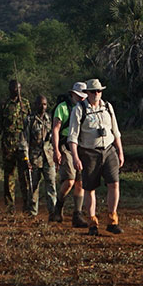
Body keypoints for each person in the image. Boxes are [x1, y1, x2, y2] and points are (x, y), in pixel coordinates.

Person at [67, 78, 124, 236]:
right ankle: (92, 222)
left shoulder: (108, 107)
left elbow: (115, 131)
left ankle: (113, 220)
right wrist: (76, 157)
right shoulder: (79, 109)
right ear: (87, 93)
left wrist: (120, 151)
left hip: (109, 148)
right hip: (89, 151)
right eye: (93, 91)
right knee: (90, 188)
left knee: (114, 184)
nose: (97, 94)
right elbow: (72, 136)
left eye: (99, 91)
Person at [50, 82, 86, 225]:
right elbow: (55, 129)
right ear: (72, 94)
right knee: (70, 180)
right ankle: (58, 208)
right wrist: (56, 150)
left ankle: (77, 215)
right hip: (66, 146)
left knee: (80, 182)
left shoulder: (86, 108)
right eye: (78, 96)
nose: (81, 98)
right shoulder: (62, 108)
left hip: (81, 146)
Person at [0, 79, 30, 212]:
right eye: (14, 88)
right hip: (8, 142)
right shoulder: (3, 104)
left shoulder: (25, 104)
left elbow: (30, 124)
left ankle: (27, 204)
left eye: (19, 88)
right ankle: (10, 205)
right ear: (10, 89)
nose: (17, 91)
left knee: (24, 175)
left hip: (22, 142)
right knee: (9, 175)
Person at [22, 95, 60, 219]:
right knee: (33, 187)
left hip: (48, 158)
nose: (42, 107)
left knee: (51, 185)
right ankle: (32, 213)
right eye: (40, 104)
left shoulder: (50, 119)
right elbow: (24, 140)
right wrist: (26, 158)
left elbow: (55, 139)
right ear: (35, 104)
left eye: (44, 104)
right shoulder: (29, 120)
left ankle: (53, 212)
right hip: (34, 158)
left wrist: (56, 155)